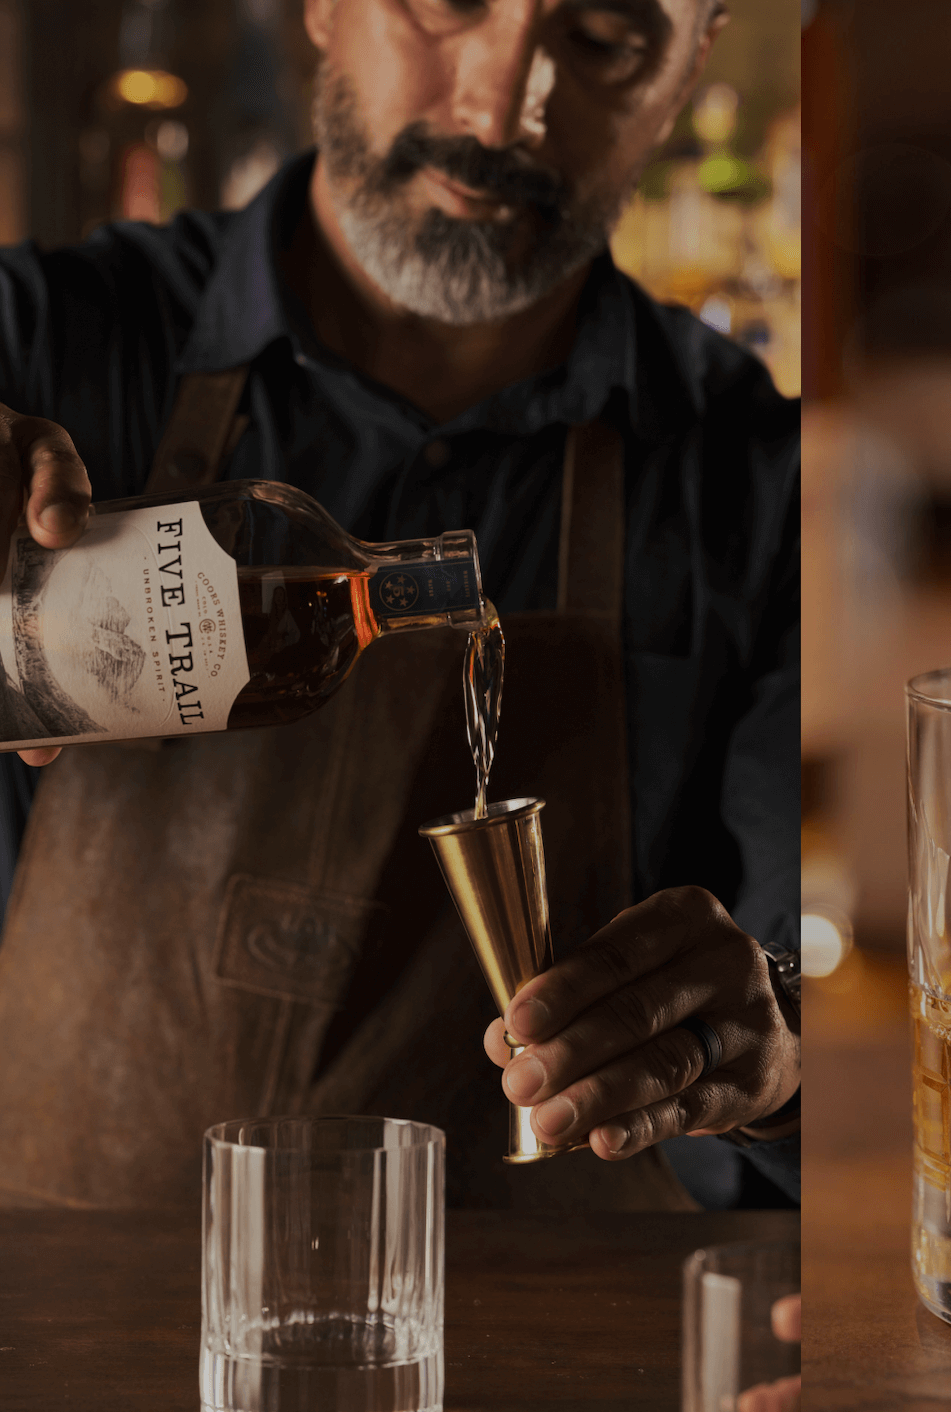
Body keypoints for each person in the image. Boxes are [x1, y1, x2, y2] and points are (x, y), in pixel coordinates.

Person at [0, 0, 798, 1211]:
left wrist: (774, 1046)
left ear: (690, 64)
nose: (498, 108)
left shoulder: (761, 482)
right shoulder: (45, 341)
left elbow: (833, 1002)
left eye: (603, 37)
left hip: (549, 1374)